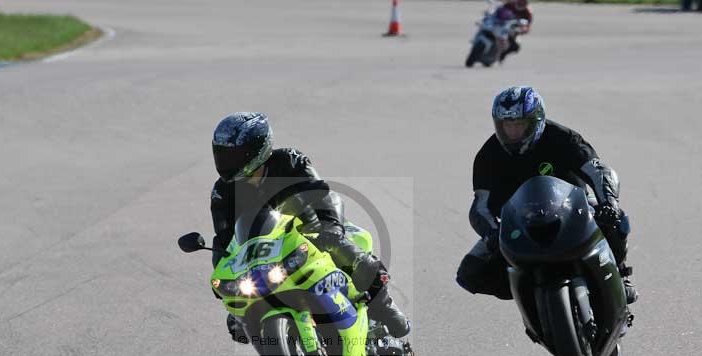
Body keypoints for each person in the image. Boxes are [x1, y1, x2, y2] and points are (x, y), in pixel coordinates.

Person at [209, 112, 410, 342]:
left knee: (340, 248)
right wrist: (222, 280)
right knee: (238, 318)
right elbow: (224, 241)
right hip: (265, 254)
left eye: (232, 155)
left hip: (310, 232)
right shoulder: (222, 192)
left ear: (256, 148)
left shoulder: (289, 161)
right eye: (221, 154)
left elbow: (322, 194)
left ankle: (384, 305)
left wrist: (331, 227)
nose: (225, 161)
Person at [456, 86, 638, 304]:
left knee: (616, 220)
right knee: (469, 274)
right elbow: (480, 206)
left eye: (519, 125)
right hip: (519, 222)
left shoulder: (563, 138)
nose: (513, 133)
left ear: (536, 120)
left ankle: (620, 275)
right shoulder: (488, 155)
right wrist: (491, 233)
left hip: (575, 208)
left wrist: (609, 203)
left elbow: (599, 172)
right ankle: (530, 293)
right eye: (507, 126)